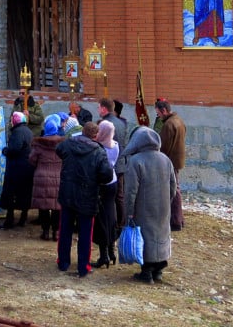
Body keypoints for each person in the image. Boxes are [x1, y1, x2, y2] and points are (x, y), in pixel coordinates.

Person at [55, 121, 113, 278]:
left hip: (68, 194)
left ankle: (63, 262)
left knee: (65, 229)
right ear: (96, 135)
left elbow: (58, 150)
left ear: (82, 131)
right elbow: (107, 175)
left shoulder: (68, 144)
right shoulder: (98, 151)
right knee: (85, 233)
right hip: (87, 196)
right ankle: (83, 266)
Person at [123, 126, 178, 283]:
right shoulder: (165, 159)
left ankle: (146, 272)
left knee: (146, 236)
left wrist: (129, 211)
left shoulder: (136, 161)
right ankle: (159, 270)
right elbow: (173, 185)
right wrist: (167, 201)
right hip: (163, 204)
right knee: (161, 235)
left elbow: (131, 190)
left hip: (143, 206)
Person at [28, 113, 64, 241]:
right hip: (58, 177)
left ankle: (45, 232)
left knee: (43, 206)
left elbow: (32, 160)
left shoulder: (39, 144)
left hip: (41, 176)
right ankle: (56, 232)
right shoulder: (62, 144)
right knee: (56, 206)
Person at [155, 98, 187, 231]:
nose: (158, 116)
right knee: (175, 189)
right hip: (176, 160)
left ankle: (175, 220)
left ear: (164, 111)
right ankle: (178, 218)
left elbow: (163, 146)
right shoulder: (178, 120)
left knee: (173, 190)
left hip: (170, 161)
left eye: (158, 113)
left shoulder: (168, 125)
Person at [91, 119, 120, 269]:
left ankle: (104, 256)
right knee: (111, 215)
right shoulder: (115, 145)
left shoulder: (98, 147)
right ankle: (111, 251)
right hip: (113, 182)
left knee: (101, 219)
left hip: (102, 183)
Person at [0, 111, 34, 229]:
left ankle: (9, 220)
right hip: (27, 167)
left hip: (16, 168)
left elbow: (15, 149)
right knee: (24, 194)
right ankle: (23, 218)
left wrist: (5, 150)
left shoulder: (17, 132)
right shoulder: (28, 131)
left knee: (11, 194)